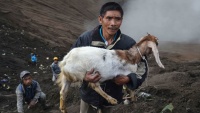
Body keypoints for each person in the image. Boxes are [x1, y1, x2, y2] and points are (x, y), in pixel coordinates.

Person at [71, 2, 148, 113]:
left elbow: (142, 67)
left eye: (117, 19)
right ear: (100, 19)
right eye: (109, 18)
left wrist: (129, 78)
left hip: (113, 100)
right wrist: (84, 77)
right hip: (89, 98)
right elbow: (70, 64)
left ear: (121, 21)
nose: (113, 23)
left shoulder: (128, 44)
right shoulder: (86, 39)